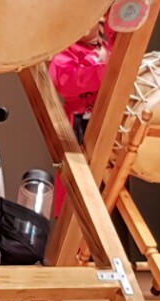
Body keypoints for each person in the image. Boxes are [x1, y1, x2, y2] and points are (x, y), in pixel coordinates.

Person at [48, 17, 114, 216]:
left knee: (111, 192)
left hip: (111, 125)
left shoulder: (111, 48)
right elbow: (66, 82)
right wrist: (109, 72)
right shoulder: (64, 52)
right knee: (79, 193)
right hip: (80, 125)